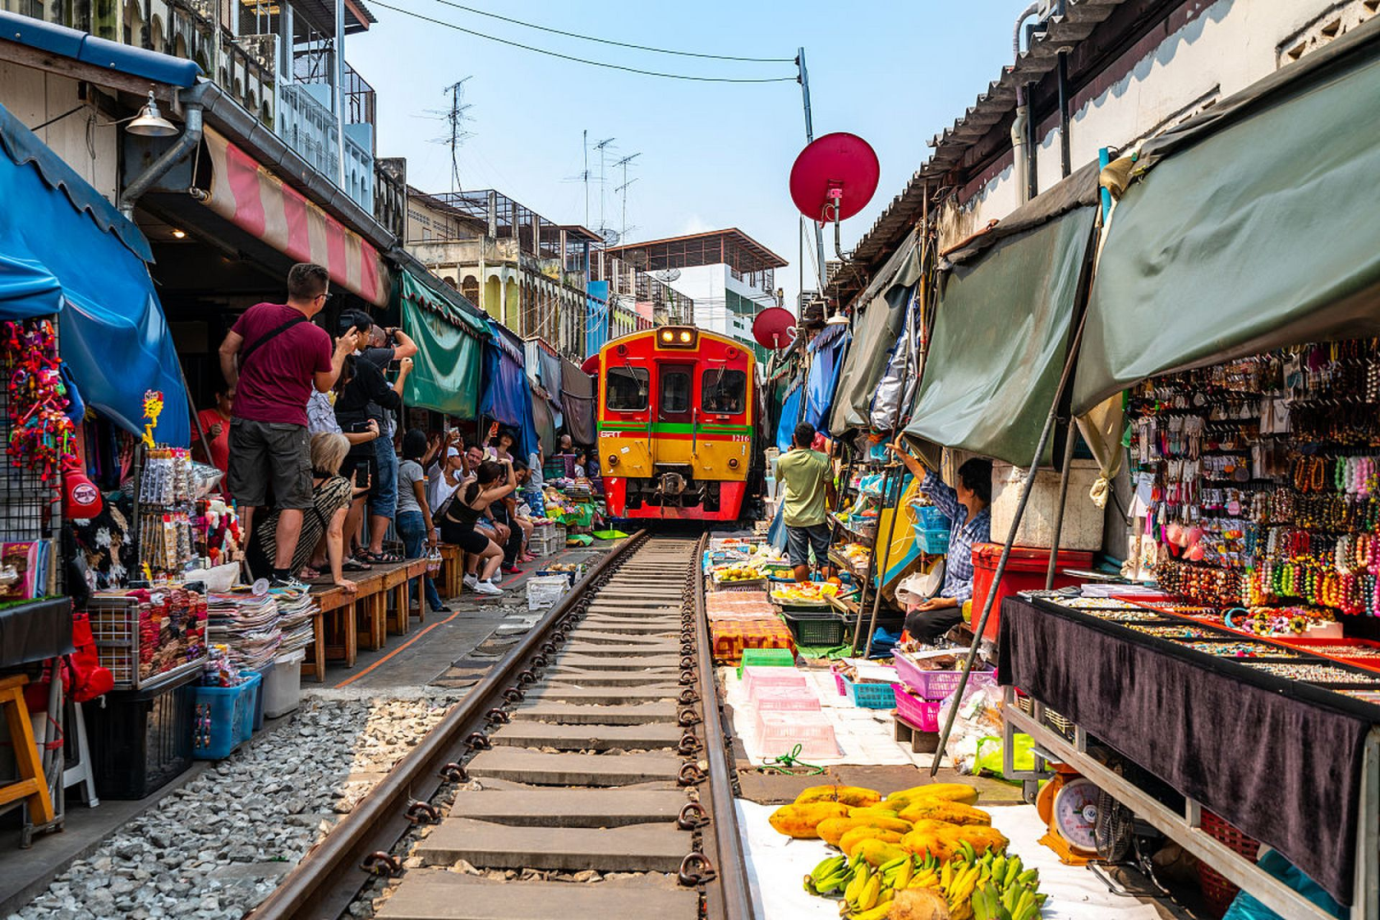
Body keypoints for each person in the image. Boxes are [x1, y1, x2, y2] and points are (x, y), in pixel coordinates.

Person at [218, 262, 356, 587]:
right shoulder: (317, 336)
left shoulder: (256, 313)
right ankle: (281, 575)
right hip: (288, 423)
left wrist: (236, 386)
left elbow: (226, 350)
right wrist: (341, 352)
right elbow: (324, 385)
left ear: (290, 287)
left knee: (244, 498)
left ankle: (236, 571)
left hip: (246, 417)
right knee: (292, 499)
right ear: (319, 299)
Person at [889, 441, 992, 644]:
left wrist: (945, 602)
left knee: (922, 623)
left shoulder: (985, 529)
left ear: (971, 490)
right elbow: (933, 487)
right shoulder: (960, 512)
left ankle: (936, 660)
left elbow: (980, 583)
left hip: (965, 603)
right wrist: (906, 457)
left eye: (960, 482)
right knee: (913, 618)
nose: (956, 486)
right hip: (948, 598)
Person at [333, 310, 412, 565]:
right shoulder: (365, 365)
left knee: (334, 493)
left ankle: (338, 553)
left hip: (330, 435)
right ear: (358, 335)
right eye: (366, 333)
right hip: (361, 435)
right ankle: (346, 552)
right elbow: (390, 400)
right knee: (356, 494)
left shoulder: (329, 360)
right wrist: (402, 374)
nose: (369, 338)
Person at [245, 432, 359, 594]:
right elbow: (334, 533)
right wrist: (338, 578)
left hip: (259, 544)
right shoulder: (340, 486)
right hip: (283, 561)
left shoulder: (296, 476)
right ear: (337, 457)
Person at [358, 323, 418, 563]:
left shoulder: (354, 361)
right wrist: (394, 333)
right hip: (378, 435)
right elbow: (410, 347)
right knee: (385, 493)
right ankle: (375, 547)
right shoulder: (371, 355)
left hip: (359, 434)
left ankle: (358, 548)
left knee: (359, 493)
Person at [439, 458, 516, 597]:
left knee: (481, 534)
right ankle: (484, 581)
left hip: (447, 528)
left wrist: (493, 521)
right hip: (460, 533)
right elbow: (511, 485)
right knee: (498, 553)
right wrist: (509, 464)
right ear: (494, 480)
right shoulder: (485, 495)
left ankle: (471, 575)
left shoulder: (467, 483)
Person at [777, 421, 837, 583]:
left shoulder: (784, 460)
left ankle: (803, 594)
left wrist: (790, 453)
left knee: (799, 560)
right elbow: (830, 490)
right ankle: (833, 592)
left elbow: (779, 478)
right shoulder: (823, 460)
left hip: (794, 518)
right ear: (813, 440)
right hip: (817, 517)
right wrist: (835, 511)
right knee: (825, 559)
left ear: (794, 438)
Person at [396, 429, 447, 616]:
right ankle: (405, 607)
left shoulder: (401, 465)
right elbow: (422, 501)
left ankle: (435, 603)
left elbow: (423, 462)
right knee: (414, 567)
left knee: (420, 561)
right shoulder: (415, 468)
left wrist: (434, 447)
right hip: (415, 517)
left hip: (401, 517)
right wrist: (431, 528)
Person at [196, 385, 234, 481]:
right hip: (213, 489)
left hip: (238, 488)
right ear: (218, 397)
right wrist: (209, 436)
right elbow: (194, 452)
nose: (235, 402)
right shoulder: (204, 417)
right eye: (230, 398)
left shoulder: (242, 421)